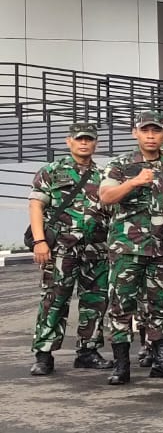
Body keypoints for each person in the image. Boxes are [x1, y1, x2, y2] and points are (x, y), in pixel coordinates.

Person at [99, 110, 163, 381]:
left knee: (160, 305)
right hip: (127, 248)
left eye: (156, 131)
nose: (150, 136)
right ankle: (121, 364)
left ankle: (161, 360)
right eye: (145, 130)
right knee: (121, 305)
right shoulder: (120, 165)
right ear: (135, 133)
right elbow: (106, 196)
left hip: (161, 247)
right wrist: (133, 182)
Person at [28, 122, 111, 377]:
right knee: (54, 300)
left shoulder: (104, 175)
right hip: (60, 248)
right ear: (69, 141)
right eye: (79, 139)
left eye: (89, 139)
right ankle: (44, 354)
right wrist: (40, 241)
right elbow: (36, 206)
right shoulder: (51, 171)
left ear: (96, 143)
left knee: (95, 301)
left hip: (96, 249)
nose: (84, 143)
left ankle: (88, 351)